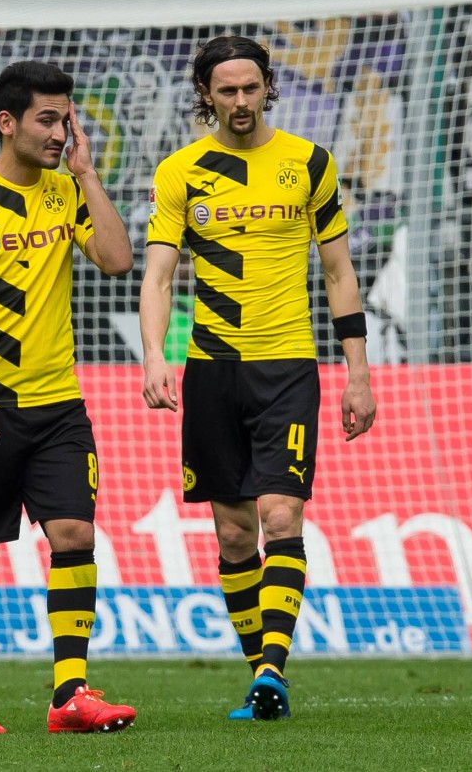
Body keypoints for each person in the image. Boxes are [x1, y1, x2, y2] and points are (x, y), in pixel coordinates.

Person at [139, 36, 377, 721]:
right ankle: (260, 676)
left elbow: (338, 272)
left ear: (268, 87)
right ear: (205, 94)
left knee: (281, 515)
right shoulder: (181, 172)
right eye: (227, 91)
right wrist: (155, 354)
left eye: (250, 88)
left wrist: (357, 375)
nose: (240, 102)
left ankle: (272, 668)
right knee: (235, 533)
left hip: (288, 366)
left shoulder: (310, 163)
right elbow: (158, 273)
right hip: (212, 368)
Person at [0, 60, 136, 736]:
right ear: (6, 121)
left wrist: (88, 177)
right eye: (48, 118)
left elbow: (118, 258)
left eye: (66, 118)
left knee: (74, 534)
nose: (60, 131)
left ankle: (70, 692)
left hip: (59, 407)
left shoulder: (64, 192)